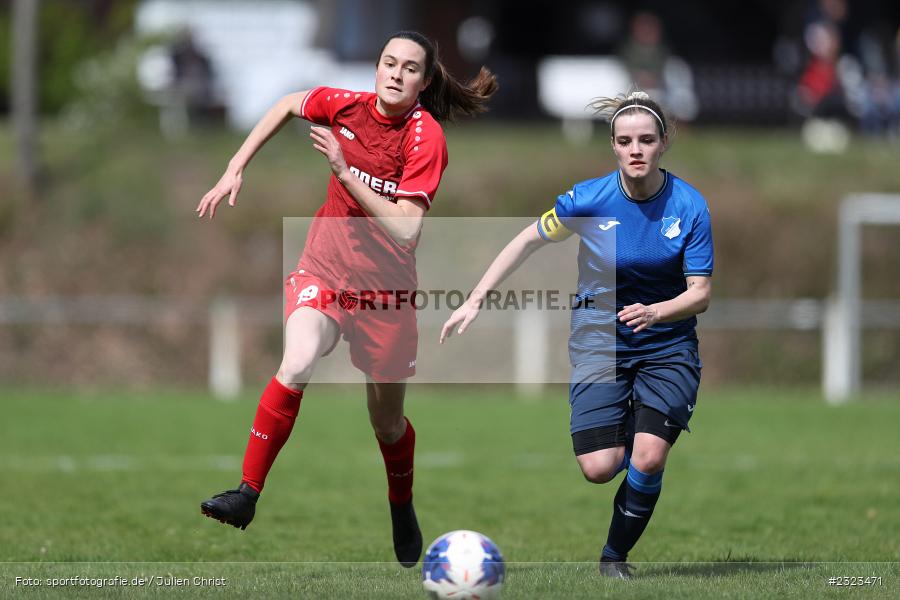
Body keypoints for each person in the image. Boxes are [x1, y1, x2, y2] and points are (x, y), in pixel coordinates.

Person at [195, 30, 497, 568]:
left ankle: (400, 504)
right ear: (376, 68)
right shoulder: (346, 106)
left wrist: (342, 170)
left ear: (424, 82)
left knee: (387, 424)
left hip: (387, 294)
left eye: (409, 68)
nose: (396, 74)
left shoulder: (425, 138)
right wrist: (235, 165)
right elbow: (290, 104)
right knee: (297, 360)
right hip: (326, 268)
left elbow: (405, 229)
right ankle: (248, 492)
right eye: (388, 63)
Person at [441, 90, 712, 579]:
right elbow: (527, 238)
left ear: (663, 143)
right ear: (612, 145)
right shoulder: (588, 200)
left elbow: (700, 294)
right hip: (598, 341)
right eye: (626, 140)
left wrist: (657, 312)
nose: (636, 149)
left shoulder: (689, 206)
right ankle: (642, 428)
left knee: (648, 456)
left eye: (647, 140)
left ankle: (613, 559)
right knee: (599, 467)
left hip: (667, 345)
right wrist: (477, 296)